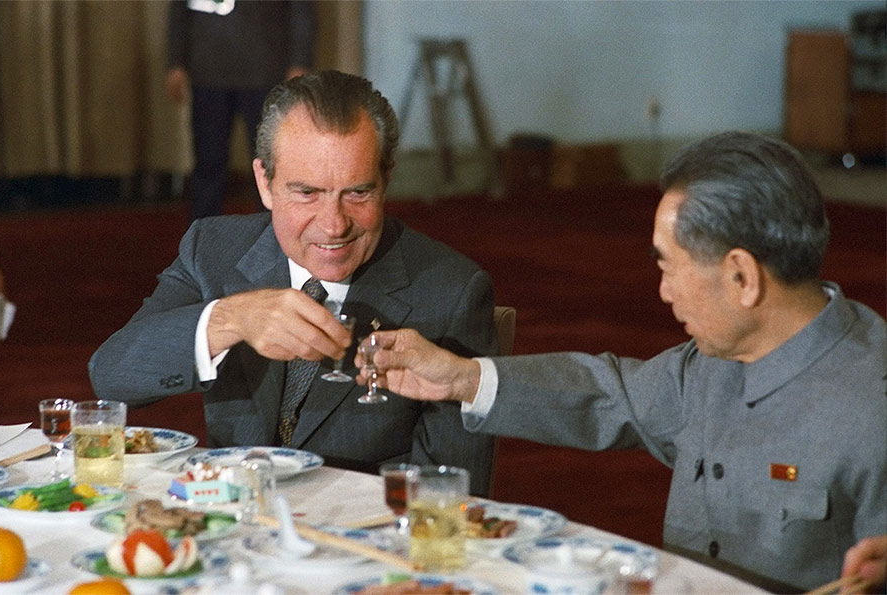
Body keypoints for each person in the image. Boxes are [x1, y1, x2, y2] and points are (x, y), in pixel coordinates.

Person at [358, 132, 886, 592]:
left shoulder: (872, 405)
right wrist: (462, 378)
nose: (663, 292)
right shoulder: (713, 364)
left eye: (669, 267)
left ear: (742, 277)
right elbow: (609, 393)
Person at [89, 71, 497, 496]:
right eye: (307, 193)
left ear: (386, 179)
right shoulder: (214, 249)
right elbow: (113, 377)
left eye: (358, 193)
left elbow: (450, 498)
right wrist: (229, 320)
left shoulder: (451, 291)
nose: (334, 224)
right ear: (265, 183)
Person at [166, 0, 316, 220]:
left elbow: (301, 10)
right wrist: (175, 63)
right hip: (208, 73)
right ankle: (204, 236)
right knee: (208, 162)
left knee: (269, 163)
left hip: (265, 71)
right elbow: (179, 12)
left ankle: (273, 234)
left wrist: (300, 62)